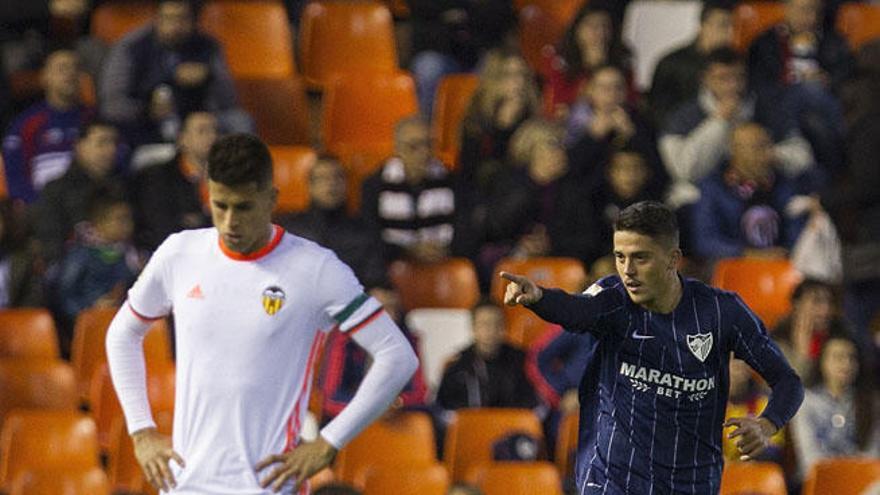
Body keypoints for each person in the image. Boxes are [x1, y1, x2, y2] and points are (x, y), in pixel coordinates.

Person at [105, 133, 419, 494]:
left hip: (268, 486)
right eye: (219, 205)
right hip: (185, 484)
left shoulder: (316, 269)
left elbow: (398, 357)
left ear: (271, 200)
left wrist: (329, 442)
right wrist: (141, 430)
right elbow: (122, 333)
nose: (229, 222)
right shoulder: (180, 253)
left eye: (243, 207)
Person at [500, 201, 804, 493]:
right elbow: (577, 310)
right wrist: (540, 297)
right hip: (613, 479)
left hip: (690, 482)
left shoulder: (721, 312)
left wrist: (767, 423)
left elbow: (787, 381)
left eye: (640, 258)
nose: (627, 270)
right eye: (620, 257)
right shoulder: (612, 298)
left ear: (673, 259)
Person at [659, 47, 814, 210]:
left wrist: (771, 155)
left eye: (738, 78)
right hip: (702, 194)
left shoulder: (767, 111)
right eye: (723, 78)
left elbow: (803, 156)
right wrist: (718, 122)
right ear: (705, 79)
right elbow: (684, 171)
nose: (732, 86)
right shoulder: (682, 117)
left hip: (761, 190)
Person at [99, 0, 252, 146]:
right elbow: (112, 105)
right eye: (169, 18)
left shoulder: (208, 46)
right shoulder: (133, 47)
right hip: (145, 124)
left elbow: (229, 101)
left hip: (198, 124)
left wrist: (208, 77)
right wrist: (147, 109)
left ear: (194, 21)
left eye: (183, 19)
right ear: (156, 18)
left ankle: (241, 171)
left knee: (239, 120)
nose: (175, 26)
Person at [361, 115, 471, 264]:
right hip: (392, 267)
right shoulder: (375, 185)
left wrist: (447, 248)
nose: (424, 153)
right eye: (414, 146)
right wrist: (408, 250)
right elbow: (370, 235)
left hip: (444, 263)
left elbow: (466, 230)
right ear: (397, 149)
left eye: (429, 145)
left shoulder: (453, 182)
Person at [691, 122, 809, 260]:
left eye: (769, 145)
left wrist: (786, 252)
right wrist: (748, 255)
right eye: (758, 148)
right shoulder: (713, 188)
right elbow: (704, 242)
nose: (768, 154)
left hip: (779, 267)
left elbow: (797, 234)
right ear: (735, 151)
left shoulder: (785, 185)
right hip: (734, 269)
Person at [278, 156, 387, 291]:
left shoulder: (364, 230)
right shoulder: (291, 230)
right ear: (310, 186)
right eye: (323, 178)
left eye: (338, 177)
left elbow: (376, 279)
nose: (331, 183)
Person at [2, 49, 95, 204]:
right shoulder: (27, 123)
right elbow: (14, 176)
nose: (70, 74)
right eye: (62, 68)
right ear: (44, 77)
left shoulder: (94, 118)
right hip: (42, 207)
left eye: (76, 68)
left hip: (91, 204)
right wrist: (39, 205)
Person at [790, 334, 880, 480]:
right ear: (822, 362)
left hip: (861, 480)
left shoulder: (871, 402)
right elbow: (809, 459)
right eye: (838, 357)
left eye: (852, 358)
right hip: (819, 480)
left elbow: (873, 454)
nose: (846, 364)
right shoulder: (806, 402)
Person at [34, 119, 122, 264]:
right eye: (102, 142)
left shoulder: (123, 186)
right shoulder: (56, 190)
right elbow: (51, 241)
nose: (111, 149)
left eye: (114, 143)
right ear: (80, 146)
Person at [130, 111, 216, 251]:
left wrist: (197, 221)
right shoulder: (158, 177)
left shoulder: (228, 176)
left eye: (214, 130)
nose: (211, 137)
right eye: (202, 131)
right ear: (182, 138)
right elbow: (161, 226)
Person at [435, 298, 539, 414]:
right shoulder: (457, 365)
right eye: (485, 324)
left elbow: (533, 405)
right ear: (473, 328)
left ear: (504, 327)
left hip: (513, 427)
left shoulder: (522, 360)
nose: (491, 330)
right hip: (471, 428)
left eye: (497, 324)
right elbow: (443, 409)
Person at [55, 188, 140, 323]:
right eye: (120, 219)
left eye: (129, 219)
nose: (127, 225)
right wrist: (91, 308)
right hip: (90, 325)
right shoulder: (80, 254)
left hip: (123, 322)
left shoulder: (131, 255)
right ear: (99, 222)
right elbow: (64, 298)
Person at [649, 1, 734, 126]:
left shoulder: (739, 63)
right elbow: (659, 113)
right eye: (723, 25)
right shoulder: (672, 64)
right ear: (703, 26)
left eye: (735, 26)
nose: (730, 33)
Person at [773, 278, 850, 379]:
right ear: (797, 305)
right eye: (816, 302)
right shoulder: (778, 342)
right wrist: (802, 351)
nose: (825, 310)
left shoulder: (840, 335)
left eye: (829, 302)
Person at [723, 357, 785, 464]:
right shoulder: (706, 405)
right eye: (732, 362)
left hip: (755, 474)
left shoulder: (766, 403)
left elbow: (776, 451)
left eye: (742, 362)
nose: (738, 368)